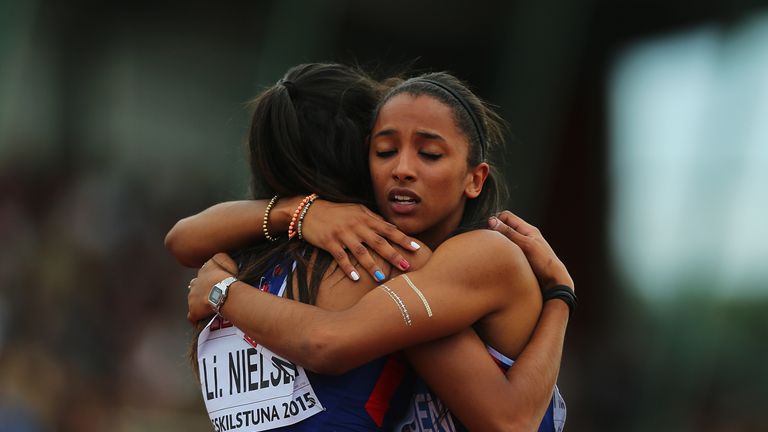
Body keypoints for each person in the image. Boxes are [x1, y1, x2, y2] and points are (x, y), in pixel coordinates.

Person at [173, 66, 573, 431]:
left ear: (475, 179)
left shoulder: (471, 256)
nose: (401, 168)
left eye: (430, 154)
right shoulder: (378, 263)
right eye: (384, 151)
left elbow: (513, 422)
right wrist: (301, 212)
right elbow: (180, 239)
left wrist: (560, 295)